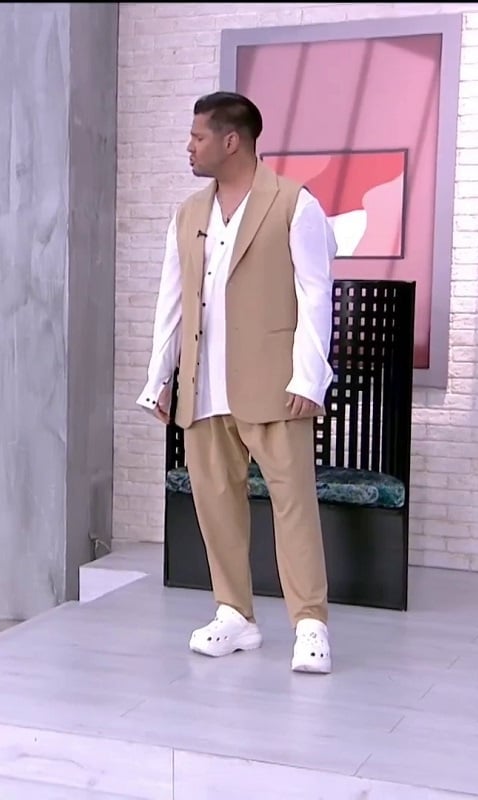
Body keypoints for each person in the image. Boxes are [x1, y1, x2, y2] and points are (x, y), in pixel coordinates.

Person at [137, 92, 337, 675]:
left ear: (231, 141)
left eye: (197, 136)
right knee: (216, 504)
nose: (189, 146)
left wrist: (309, 375)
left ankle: (310, 623)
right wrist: (159, 378)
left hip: (275, 384)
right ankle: (234, 613)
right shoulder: (187, 214)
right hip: (202, 384)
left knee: (293, 504)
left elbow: (316, 294)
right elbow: (171, 300)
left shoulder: (294, 204)